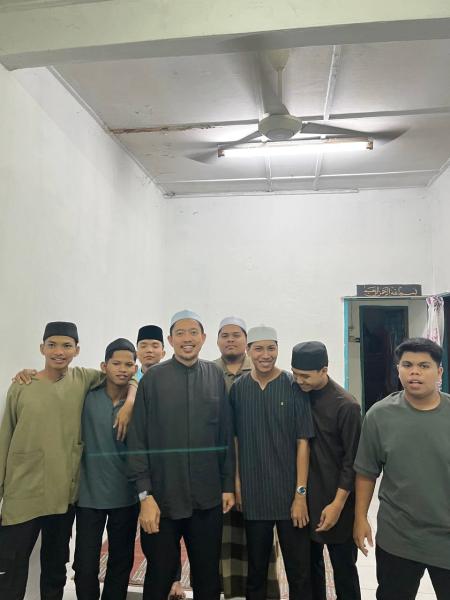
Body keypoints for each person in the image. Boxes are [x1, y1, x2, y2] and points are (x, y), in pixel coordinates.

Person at [0, 322, 135, 600]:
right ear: (42, 348)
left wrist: (131, 399)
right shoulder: (22, 386)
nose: (59, 352)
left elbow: (126, 374)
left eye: (66, 346)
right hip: (21, 494)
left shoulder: (82, 379)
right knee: (10, 568)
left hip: (62, 498)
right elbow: (5, 439)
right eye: (52, 345)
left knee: (54, 569)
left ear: (77, 350)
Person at [127, 309, 235, 600]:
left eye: (193, 333)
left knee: (207, 576)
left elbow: (225, 435)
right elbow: (137, 441)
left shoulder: (214, 375)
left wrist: (227, 485)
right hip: (161, 499)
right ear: (170, 339)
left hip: (207, 498)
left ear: (203, 338)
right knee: (160, 576)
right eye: (180, 333)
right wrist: (144, 496)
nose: (187, 339)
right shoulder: (153, 379)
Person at [353, 337, 450, 600]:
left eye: (424, 366)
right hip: (399, 537)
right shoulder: (379, 416)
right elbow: (366, 472)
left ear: (439, 372)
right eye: (407, 365)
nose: (414, 372)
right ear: (398, 370)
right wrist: (360, 518)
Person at [230, 325, 314, 600]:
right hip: (254, 494)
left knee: (299, 571)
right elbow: (235, 439)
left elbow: (303, 442)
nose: (265, 355)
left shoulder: (293, 386)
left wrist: (300, 495)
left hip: (290, 496)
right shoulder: (239, 388)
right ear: (248, 351)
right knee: (255, 571)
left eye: (271, 348)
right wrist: (237, 482)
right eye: (258, 349)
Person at [214, 316, 280, 600]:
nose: (230, 340)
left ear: (246, 342)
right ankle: (228, 591)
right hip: (221, 466)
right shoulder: (209, 372)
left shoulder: (262, 371)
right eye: (225, 335)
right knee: (224, 537)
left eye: (236, 335)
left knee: (260, 540)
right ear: (217, 340)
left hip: (262, 467)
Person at [291, 341, 361, 600]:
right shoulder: (297, 394)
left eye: (305, 376)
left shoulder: (347, 406)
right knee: (309, 569)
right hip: (304, 499)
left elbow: (352, 462)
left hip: (337, 499)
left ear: (324, 370)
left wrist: (338, 505)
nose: (299, 381)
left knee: (344, 570)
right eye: (295, 374)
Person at [73, 338, 140, 600]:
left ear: (135, 369)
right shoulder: (86, 397)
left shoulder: (139, 403)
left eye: (128, 365)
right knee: (84, 565)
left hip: (126, 495)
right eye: (116, 363)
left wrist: (131, 401)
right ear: (104, 366)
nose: (122, 369)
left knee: (120, 563)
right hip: (89, 496)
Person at [135, 324, 184, 600]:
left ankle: (174, 580)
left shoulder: (171, 378)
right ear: (137, 350)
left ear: (164, 350)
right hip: (133, 472)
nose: (149, 350)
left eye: (155, 346)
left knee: (167, 532)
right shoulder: (129, 377)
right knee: (149, 541)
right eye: (144, 345)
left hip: (162, 475)